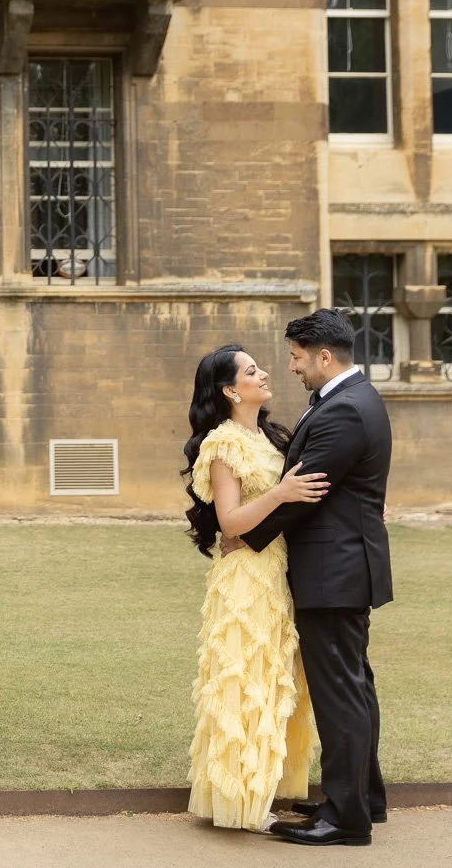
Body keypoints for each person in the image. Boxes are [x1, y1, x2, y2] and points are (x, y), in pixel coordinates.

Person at [238, 309, 395, 847]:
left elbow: (305, 492)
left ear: (324, 356)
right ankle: (362, 799)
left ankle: (346, 818)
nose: (291, 367)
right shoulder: (350, 399)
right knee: (355, 686)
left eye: (297, 357)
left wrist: (243, 536)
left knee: (341, 694)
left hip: (335, 570)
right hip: (347, 565)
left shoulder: (345, 411)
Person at [183, 343, 326, 832]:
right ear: (229, 390)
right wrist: (282, 492)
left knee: (275, 679)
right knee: (245, 681)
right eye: (251, 370)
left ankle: (265, 787)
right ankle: (240, 803)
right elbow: (230, 522)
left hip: (278, 571)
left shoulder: (268, 440)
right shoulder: (223, 445)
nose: (265, 373)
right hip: (245, 577)